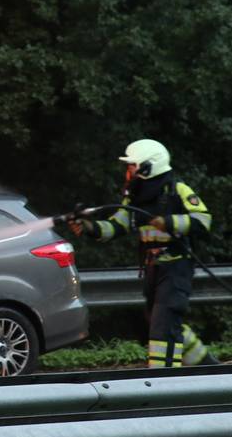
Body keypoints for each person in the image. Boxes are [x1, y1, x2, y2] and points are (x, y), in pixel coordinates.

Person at [69, 139, 220, 367]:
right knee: (162, 321)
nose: (128, 171)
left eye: (132, 166)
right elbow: (116, 226)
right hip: (154, 268)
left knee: (163, 325)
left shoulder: (177, 190)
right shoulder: (135, 198)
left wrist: (168, 222)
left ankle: (163, 379)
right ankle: (207, 366)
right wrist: (90, 228)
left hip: (176, 265)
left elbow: (204, 219)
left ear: (148, 166)